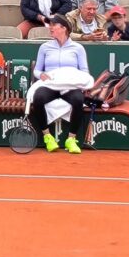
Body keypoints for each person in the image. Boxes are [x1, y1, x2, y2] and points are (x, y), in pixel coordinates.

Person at [29, 15, 90, 154]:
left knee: (78, 100)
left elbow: (84, 70)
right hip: (50, 85)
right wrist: (41, 75)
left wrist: (79, 82)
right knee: (38, 98)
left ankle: (71, 139)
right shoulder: (45, 47)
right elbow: (37, 69)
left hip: (69, 85)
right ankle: (47, 136)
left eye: (53, 25)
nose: (50, 28)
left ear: (64, 28)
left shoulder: (78, 48)